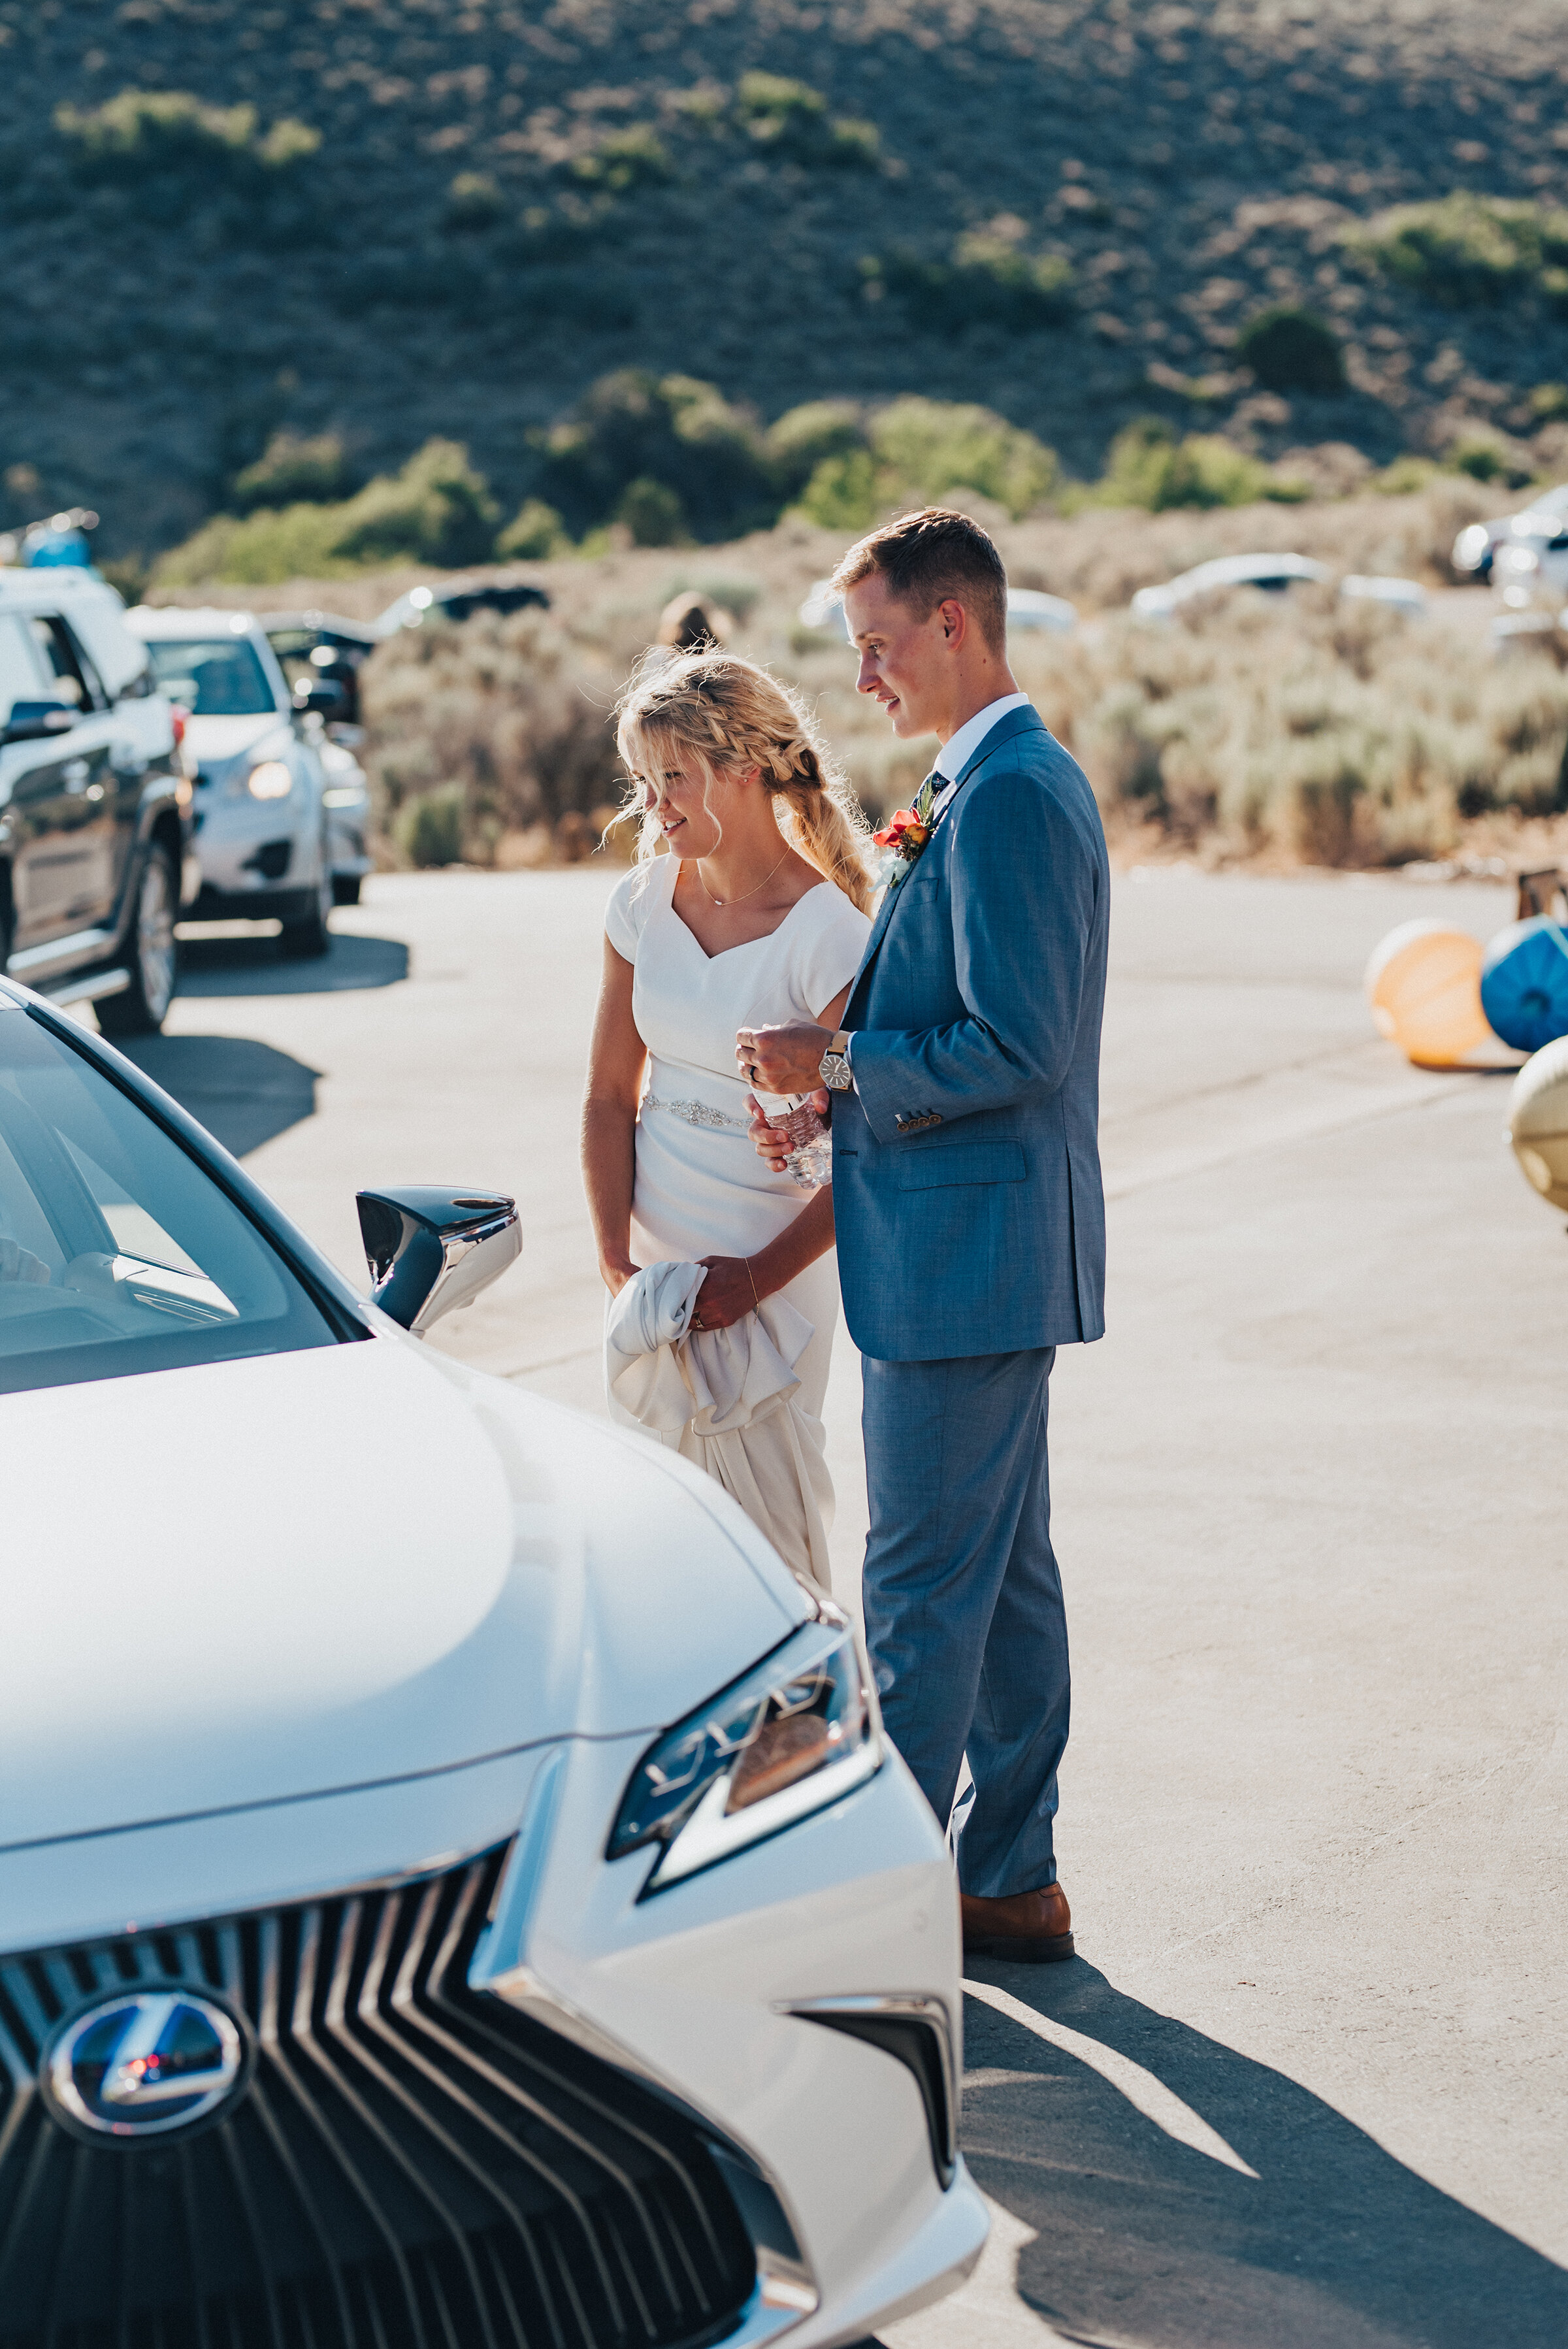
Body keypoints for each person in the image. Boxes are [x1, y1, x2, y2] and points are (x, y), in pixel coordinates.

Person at [739, 508, 1109, 1963]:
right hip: (965, 1252)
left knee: (915, 1591)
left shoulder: (1012, 794)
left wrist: (832, 1065)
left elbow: (1022, 1041)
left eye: (878, 644)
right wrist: (831, 1081)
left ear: (954, 623)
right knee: (1000, 1582)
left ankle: (877, 1905)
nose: (864, 677)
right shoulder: (976, 782)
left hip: (969, 1264)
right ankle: (1007, 1878)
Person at [581, 651, 873, 1585]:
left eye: (672, 776)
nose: (651, 804)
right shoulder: (639, 903)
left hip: (773, 1262)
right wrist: (614, 1262)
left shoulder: (830, 934)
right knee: (659, 1537)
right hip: (655, 1260)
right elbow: (607, 1098)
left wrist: (755, 1279)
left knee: (768, 1549)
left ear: (744, 767)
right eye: (642, 779)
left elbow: (869, 1152)